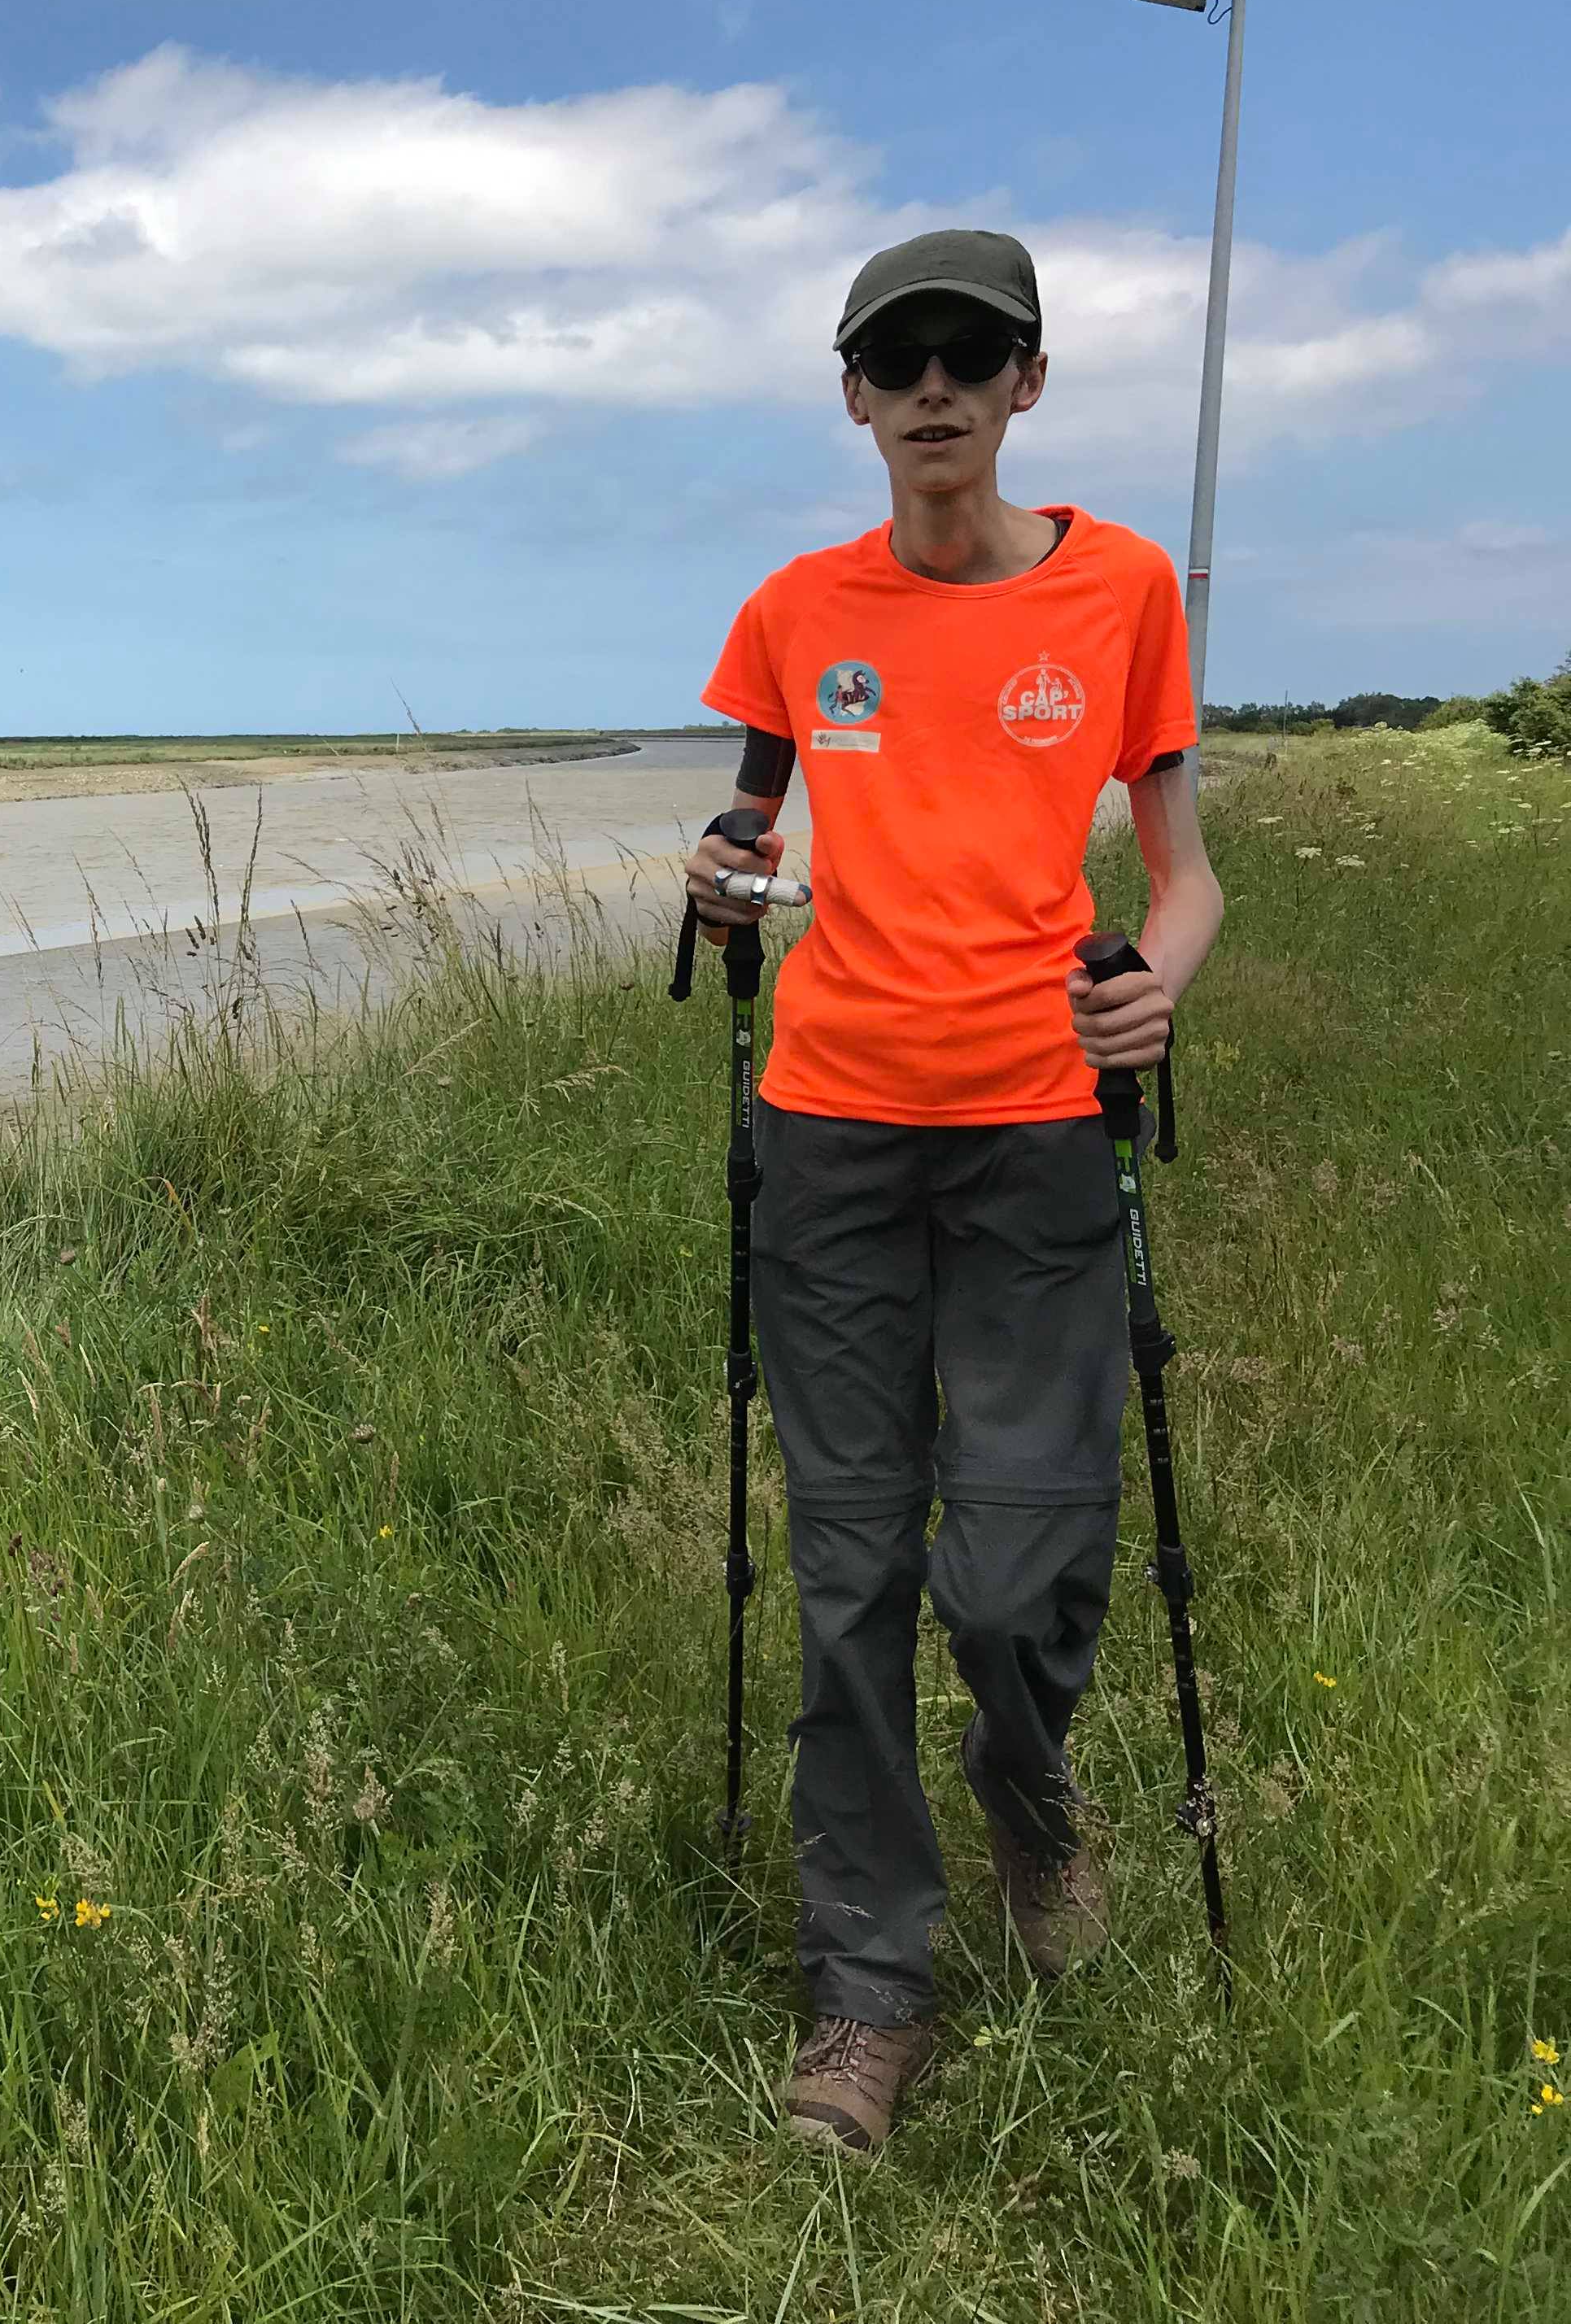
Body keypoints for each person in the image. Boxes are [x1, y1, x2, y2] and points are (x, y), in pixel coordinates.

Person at [682, 229, 1223, 2156]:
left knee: (1014, 1571)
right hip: (827, 1130)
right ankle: (868, 1988)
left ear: (1026, 386)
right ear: (852, 396)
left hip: (1035, 1131)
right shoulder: (792, 613)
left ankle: (1028, 1800)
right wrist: (721, 881)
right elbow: (750, 829)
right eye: (895, 361)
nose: (932, 390)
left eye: (967, 357)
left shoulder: (1121, 594)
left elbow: (1183, 871)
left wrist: (1164, 977)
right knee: (849, 1578)